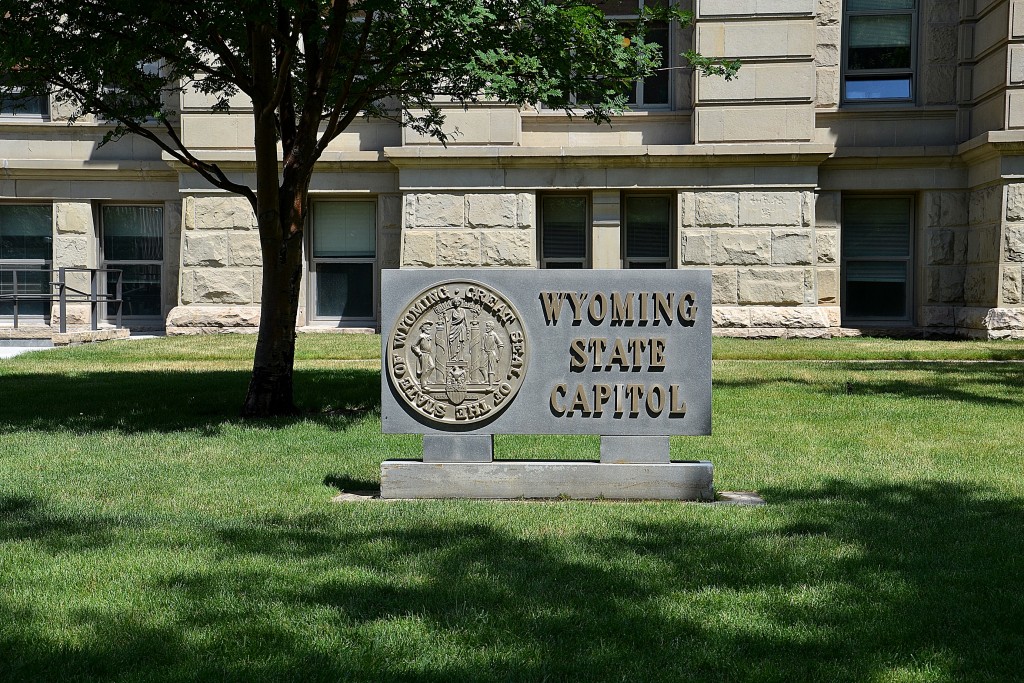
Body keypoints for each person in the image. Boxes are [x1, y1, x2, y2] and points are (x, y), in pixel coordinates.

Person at [481, 320, 504, 384]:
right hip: (485, 353)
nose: (486, 328)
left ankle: (490, 385)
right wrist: (482, 354)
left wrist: (499, 356)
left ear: (491, 328)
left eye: (488, 326)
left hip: (491, 353)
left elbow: (501, 345)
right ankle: (486, 379)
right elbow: (482, 347)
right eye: (486, 326)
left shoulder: (494, 334)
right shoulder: (484, 335)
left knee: (491, 370)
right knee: (481, 367)